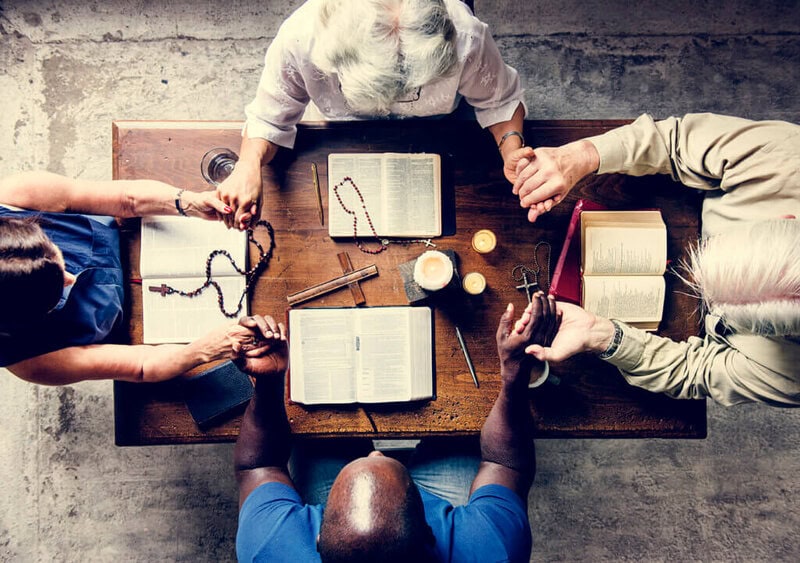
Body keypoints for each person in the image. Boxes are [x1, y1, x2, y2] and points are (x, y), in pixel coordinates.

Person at [234, 294, 559, 562]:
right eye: (381, 457)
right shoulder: (492, 550)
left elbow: (259, 465)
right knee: (463, 437)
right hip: (445, 524)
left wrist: (269, 382)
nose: (377, 451)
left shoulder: (271, 547)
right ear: (429, 533)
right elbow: (505, 464)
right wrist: (514, 376)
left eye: (370, 457)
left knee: (322, 430)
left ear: (317, 539)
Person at [511, 112, 800, 406]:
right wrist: (580, 156)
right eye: (720, 248)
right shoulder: (788, 157)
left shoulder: (790, 378)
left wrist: (602, 335)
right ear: (784, 220)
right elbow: (674, 142)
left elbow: (695, 372)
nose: (693, 276)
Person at [217, 0, 527, 230]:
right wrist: (248, 164)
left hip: (439, 131)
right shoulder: (300, 39)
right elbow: (269, 119)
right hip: (340, 134)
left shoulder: (465, 34)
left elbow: (499, 100)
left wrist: (511, 148)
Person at [0, 171, 266, 385]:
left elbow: (126, 198)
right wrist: (205, 350)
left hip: (136, 233)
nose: (71, 279)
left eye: (60, 258)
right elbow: (141, 365)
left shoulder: (12, 196)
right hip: (139, 330)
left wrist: (188, 203)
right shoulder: (26, 359)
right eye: (56, 292)